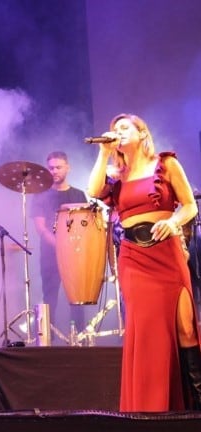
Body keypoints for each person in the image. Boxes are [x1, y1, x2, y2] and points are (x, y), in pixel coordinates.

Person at [87, 113, 200, 411]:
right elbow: (92, 191)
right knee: (149, 334)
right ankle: (152, 408)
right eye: (115, 130)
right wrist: (103, 152)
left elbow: (188, 205)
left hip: (167, 253)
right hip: (134, 259)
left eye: (125, 128)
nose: (119, 133)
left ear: (142, 133)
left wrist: (174, 222)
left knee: (185, 328)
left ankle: (196, 404)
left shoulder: (166, 164)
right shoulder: (116, 176)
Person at [30, 151, 88, 336]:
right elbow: (41, 228)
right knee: (50, 296)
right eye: (51, 167)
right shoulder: (40, 195)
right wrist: (61, 246)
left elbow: (85, 226)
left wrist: (75, 248)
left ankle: (80, 337)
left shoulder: (78, 195)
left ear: (67, 168)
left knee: (78, 297)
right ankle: (48, 338)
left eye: (58, 167)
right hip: (50, 255)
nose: (54, 171)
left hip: (76, 255)